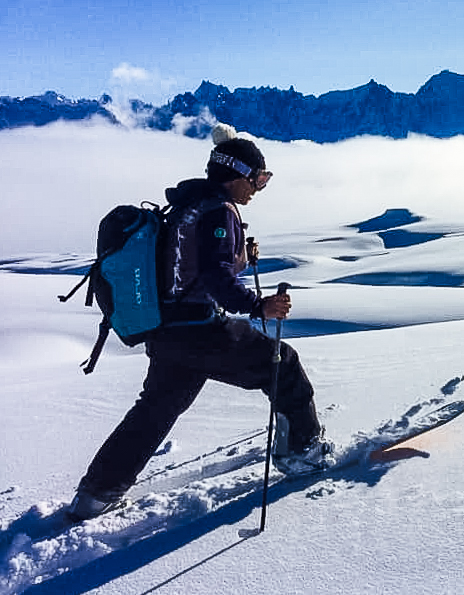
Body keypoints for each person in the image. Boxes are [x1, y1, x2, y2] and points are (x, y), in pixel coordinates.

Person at [68, 124, 334, 521]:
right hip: (200, 331)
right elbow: (213, 277)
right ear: (237, 174)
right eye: (258, 179)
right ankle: (304, 452)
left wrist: (239, 251)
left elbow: (188, 264)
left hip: (167, 333)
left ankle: (95, 494)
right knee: (284, 365)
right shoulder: (219, 210)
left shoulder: (188, 205)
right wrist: (258, 305)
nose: (257, 189)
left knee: (155, 410)